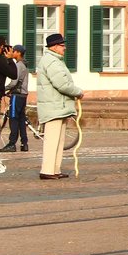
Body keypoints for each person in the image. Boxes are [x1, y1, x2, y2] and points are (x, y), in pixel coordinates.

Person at [35, 32, 83, 180]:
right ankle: (47, 170)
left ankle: (54, 169)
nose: (64, 48)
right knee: (52, 140)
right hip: (54, 106)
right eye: (62, 45)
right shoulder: (52, 62)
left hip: (58, 106)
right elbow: (61, 84)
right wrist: (78, 92)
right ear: (54, 47)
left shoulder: (54, 60)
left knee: (59, 140)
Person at [0, 45, 29, 152]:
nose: (11, 53)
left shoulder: (18, 65)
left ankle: (12, 144)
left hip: (17, 95)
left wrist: (3, 88)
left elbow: (14, 82)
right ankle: (24, 143)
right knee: (21, 119)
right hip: (23, 95)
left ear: (18, 53)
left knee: (13, 119)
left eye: (13, 51)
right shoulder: (24, 64)